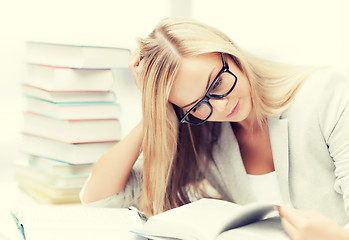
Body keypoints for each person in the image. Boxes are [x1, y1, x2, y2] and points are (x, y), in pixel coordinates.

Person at [80, 17, 349, 239]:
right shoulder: (206, 135)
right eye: (197, 104)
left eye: (217, 84)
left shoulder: (327, 95)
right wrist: (154, 109)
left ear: (230, 55)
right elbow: (100, 197)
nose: (219, 108)